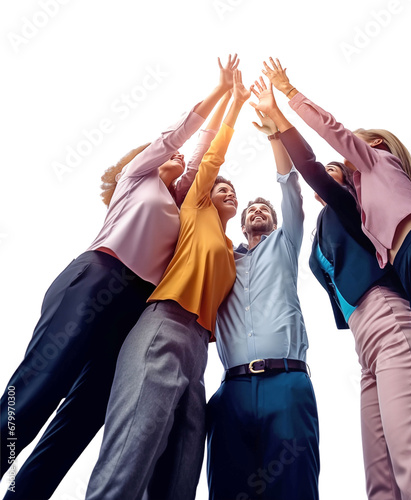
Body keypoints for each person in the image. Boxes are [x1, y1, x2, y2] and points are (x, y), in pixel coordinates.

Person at [0, 54, 239, 500]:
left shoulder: (180, 203)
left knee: (85, 416)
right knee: (38, 386)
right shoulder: (137, 178)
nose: (181, 158)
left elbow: (207, 150)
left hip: (132, 310)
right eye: (173, 158)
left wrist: (235, 105)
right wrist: (220, 91)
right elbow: (181, 134)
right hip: (94, 281)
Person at [260, 56, 411, 499]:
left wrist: (286, 103)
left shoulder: (359, 191)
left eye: (343, 168)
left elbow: (314, 163)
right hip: (365, 341)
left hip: (398, 309)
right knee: (383, 479)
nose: (340, 169)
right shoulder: (349, 228)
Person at [85, 69, 250, 500]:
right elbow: (212, 155)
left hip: (199, 351)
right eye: (222, 186)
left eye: (234, 189)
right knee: (132, 453)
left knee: (181, 471)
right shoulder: (195, 207)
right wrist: (235, 101)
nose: (228, 190)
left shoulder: (232, 250)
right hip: (165, 324)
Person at [206, 105, 319, 500]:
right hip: (231, 391)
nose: (257, 210)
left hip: (287, 383)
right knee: (226, 490)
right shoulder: (222, 259)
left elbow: (290, 188)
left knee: (294, 488)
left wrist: (274, 136)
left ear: (273, 221)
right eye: (251, 209)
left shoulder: (286, 245)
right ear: (242, 222)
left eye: (264, 209)